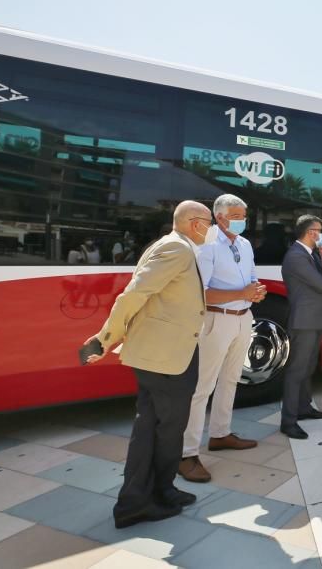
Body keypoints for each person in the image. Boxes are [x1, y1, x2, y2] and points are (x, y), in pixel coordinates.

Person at [81, 200, 211, 528]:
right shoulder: (177, 250)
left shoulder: (171, 246)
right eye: (209, 223)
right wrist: (105, 337)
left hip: (165, 353)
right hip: (166, 358)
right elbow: (134, 295)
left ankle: (159, 491)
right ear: (195, 223)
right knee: (165, 431)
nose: (211, 229)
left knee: (154, 429)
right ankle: (137, 503)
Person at [179, 195, 267, 483]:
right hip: (215, 320)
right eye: (238, 215)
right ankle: (187, 453)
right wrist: (240, 294)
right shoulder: (207, 245)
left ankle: (220, 433)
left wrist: (255, 292)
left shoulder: (244, 244)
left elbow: (251, 280)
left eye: (245, 215)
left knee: (231, 379)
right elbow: (198, 293)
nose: (244, 220)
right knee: (202, 387)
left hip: (243, 319)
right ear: (220, 217)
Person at [279, 215, 322, 439]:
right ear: (310, 232)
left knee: (308, 367)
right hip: (304, 321)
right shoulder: (295, 256)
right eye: (319, 230)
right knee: (296, 370)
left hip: (315, 319)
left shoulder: (311, 254)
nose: (321, 234)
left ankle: (304, 408)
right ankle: (289, 421)